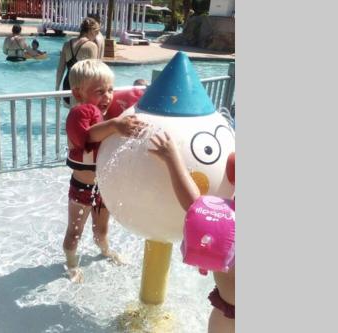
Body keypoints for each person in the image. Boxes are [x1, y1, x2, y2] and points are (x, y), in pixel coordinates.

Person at [63, 59, 146, 283]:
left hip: (102, 187)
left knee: (101, 229)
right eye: (100, 91)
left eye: (110, 90)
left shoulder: (104, 115)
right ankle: (71, 264)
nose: (108, 96)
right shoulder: (79, 113)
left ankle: (105, 250)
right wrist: (116, 125)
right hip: (82, 187)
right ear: (78, 92)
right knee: (75, 232)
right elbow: (86, 137)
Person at [149, 131, 235, 333]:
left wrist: (172, 158)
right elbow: (198, 207)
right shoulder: (231, 218)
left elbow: (194, 205)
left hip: (227, 314)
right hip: (227, 311)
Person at [55, 17, 100, 105]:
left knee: (71, 115)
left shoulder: (67, 44)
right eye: (97, 31)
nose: (97, 35)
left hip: (67, 86)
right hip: (82, 88)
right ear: (91, 30)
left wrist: (57, 89)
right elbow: (93, 72)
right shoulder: (91, 46)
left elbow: (60, 69)